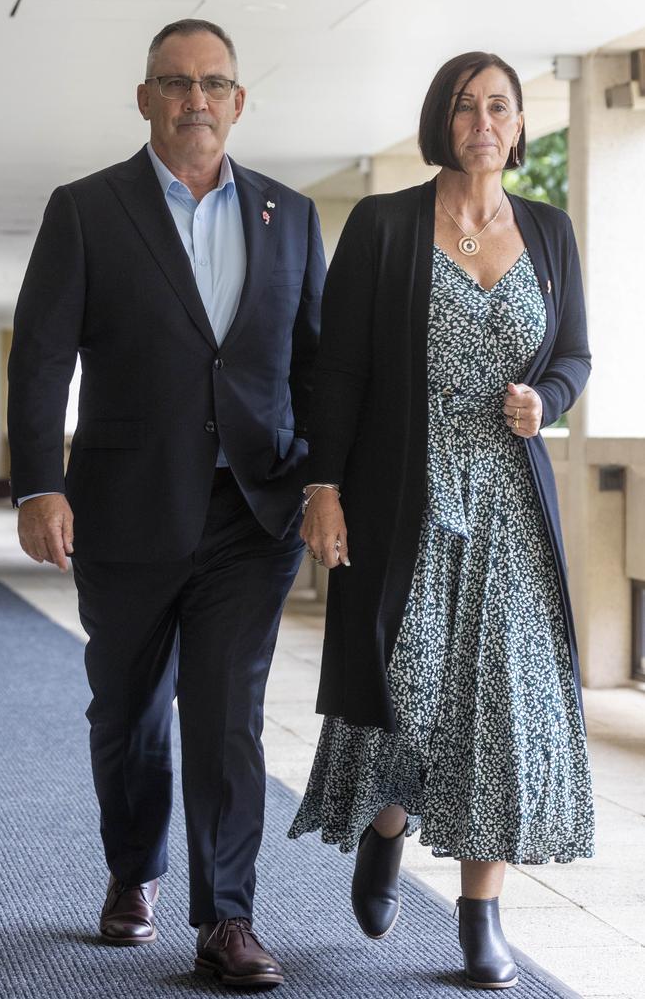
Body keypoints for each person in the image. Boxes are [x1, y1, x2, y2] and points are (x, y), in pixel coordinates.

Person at [8, 18, 324, 988]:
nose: (196, 99)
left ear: (238, 101)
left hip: (252, 509)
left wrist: (322, 480)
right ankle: (132, 866)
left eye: (213, 83)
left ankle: (228, 916)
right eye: (175, 82)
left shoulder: (291, 215)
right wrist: (39, 483)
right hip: (126, 507)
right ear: (144, 98)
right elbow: (42, 354)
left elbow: (314, 362)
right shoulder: (86, 209)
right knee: (128, 713)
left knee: (226, 711)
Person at [289, 51, 594, 990]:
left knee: (500, 704)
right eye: (466, 106)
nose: (485, 121)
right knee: (405, 687)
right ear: (443, 120)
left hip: (509, 505)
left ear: (518, 124)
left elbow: (576, 356)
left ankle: (480, 915)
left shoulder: (547, 229)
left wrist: (547, 398)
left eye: (500, 106)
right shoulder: (384, 225)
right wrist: (325, 488)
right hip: (402, 495)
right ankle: (387, 826)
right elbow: (335, 371)